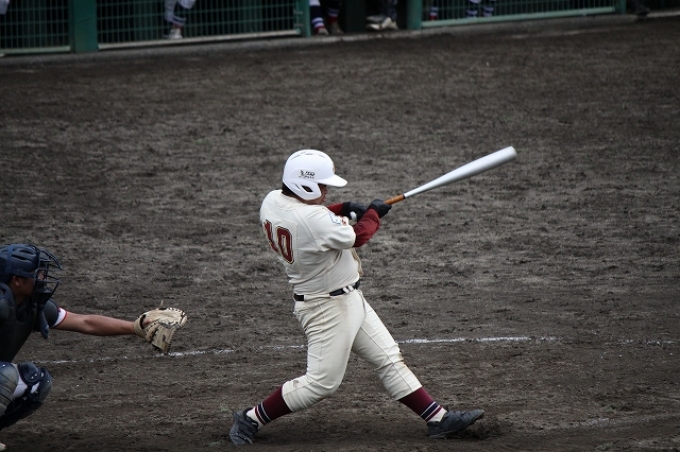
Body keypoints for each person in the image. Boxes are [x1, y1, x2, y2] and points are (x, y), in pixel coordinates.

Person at [229, 150, 484, 445]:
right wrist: (374, 213)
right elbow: (359, 235)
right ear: (305, 185)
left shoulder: (273, 201)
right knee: (322, 383)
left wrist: (344, 208)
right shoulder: (313, 219)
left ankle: (438, 419)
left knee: (388, 358)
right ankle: (251, 418)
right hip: (326, 308)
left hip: (348, 299)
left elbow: (313, 218)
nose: (326, 191)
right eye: (322, 185)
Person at [0, 244, 158, 450]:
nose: (43, 278)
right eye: (37, 274)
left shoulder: (30, 305)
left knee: (36, 382)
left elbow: (85, 322)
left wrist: (136, 327)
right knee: (6, 375)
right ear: (17, 280)